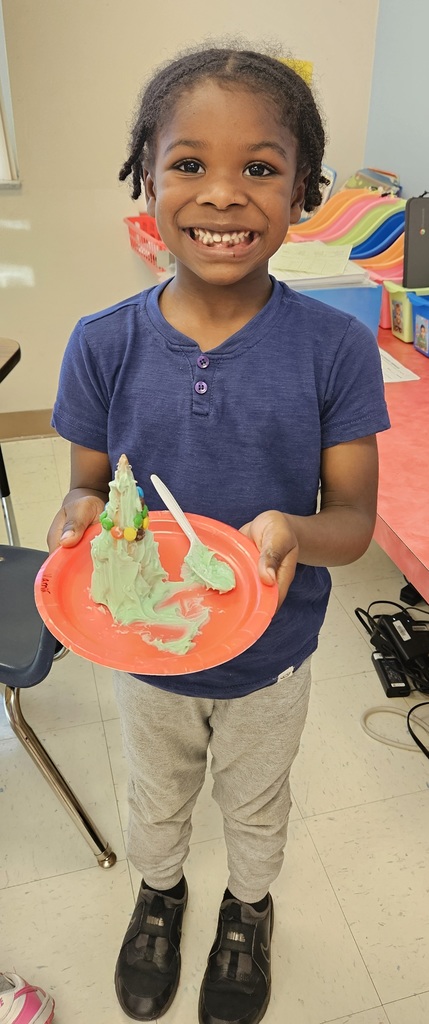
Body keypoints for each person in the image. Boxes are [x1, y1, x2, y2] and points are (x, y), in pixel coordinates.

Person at [48, 44, 390, 1024]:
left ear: (304, 190)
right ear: (146, 180)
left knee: (255, 801)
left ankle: (248, 909)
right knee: (156, 798)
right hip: (147, 652)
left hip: (270, 659)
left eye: (261, 167)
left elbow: (352, 521)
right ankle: (159, 895)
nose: (224, 193)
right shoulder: (101, 342)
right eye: (190, 163)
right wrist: (79, 516)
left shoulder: (333, 349)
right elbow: (85, 490)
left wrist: (291, 531)